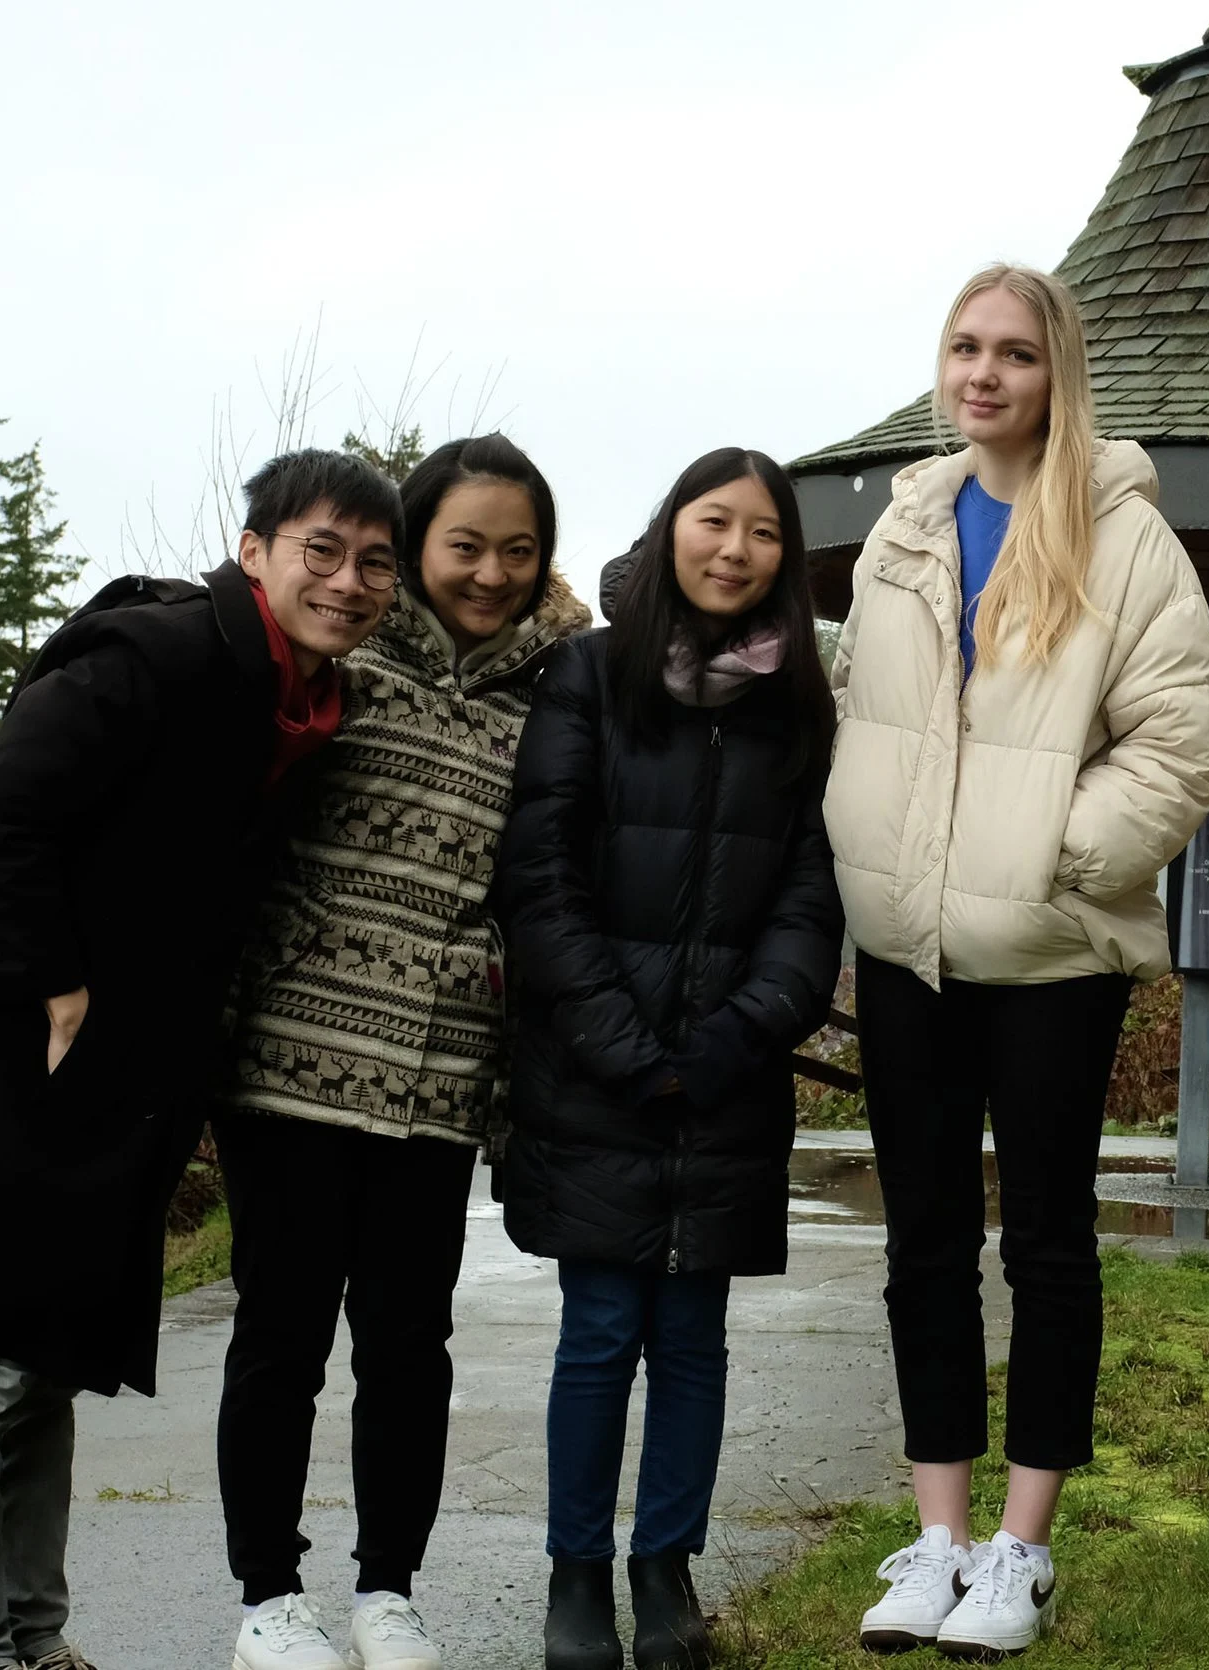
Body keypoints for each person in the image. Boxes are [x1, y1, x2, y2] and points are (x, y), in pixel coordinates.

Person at [0, 450, 401, 1670]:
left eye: (374, 561)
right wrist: (56, 974)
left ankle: (38, 1635)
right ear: (256, 552)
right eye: (320, 550)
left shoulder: (303, 700)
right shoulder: (158, 656)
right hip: (8, 1054)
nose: (347, 580)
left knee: (42, 1370)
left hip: (112, 1084)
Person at [827, 264, 1209, 1658]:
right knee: (922, 1237)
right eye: (964, 348)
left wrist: (1049, 855)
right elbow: (868, 707)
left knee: (1046, 1243)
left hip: (1052, 953)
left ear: (1059, 375)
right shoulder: (904, 529)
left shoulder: (1124, 540)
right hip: (907, 951)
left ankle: (1021, 1549)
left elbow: (1180, 745)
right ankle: (936, 1538)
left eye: (1015, 353)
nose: (984, 374)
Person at [217, 436, 590, 1670]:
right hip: (293, 1056)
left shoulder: (560, 693)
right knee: (280, 1332)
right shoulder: (342, 656)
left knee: (406, 1340)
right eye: (464, 544)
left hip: (440, 1078)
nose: (489, 571)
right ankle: (270, 1594)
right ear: (417, 542)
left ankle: (390, 1589)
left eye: (517, 549)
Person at [495, 447, 843, 1670]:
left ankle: (666, 1564)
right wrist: (625, 1044)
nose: (734, 549)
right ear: (671, 529)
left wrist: (741, 1031)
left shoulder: (796, 702)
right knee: (599, 1327)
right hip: (597, 1066)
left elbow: (812, 895)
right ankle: (575, 1570)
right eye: (714, 521)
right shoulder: (588, 676)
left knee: (693, 1334)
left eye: (760, 532)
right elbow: (538, 879)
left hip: (729, 1073)